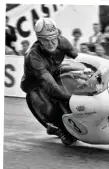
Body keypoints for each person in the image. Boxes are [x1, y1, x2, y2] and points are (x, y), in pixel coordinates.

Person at [20, 18, 79, 146]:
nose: (51, 43)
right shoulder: (33, 56)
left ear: (57, 34)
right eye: (46, 39)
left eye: (53, 37)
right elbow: (50, 86)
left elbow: (81, 59)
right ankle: (60, 129)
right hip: (35, 84)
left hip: (54, 72)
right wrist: (72, 98)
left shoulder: (62, 42)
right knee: (49, 106)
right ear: (39, 39)